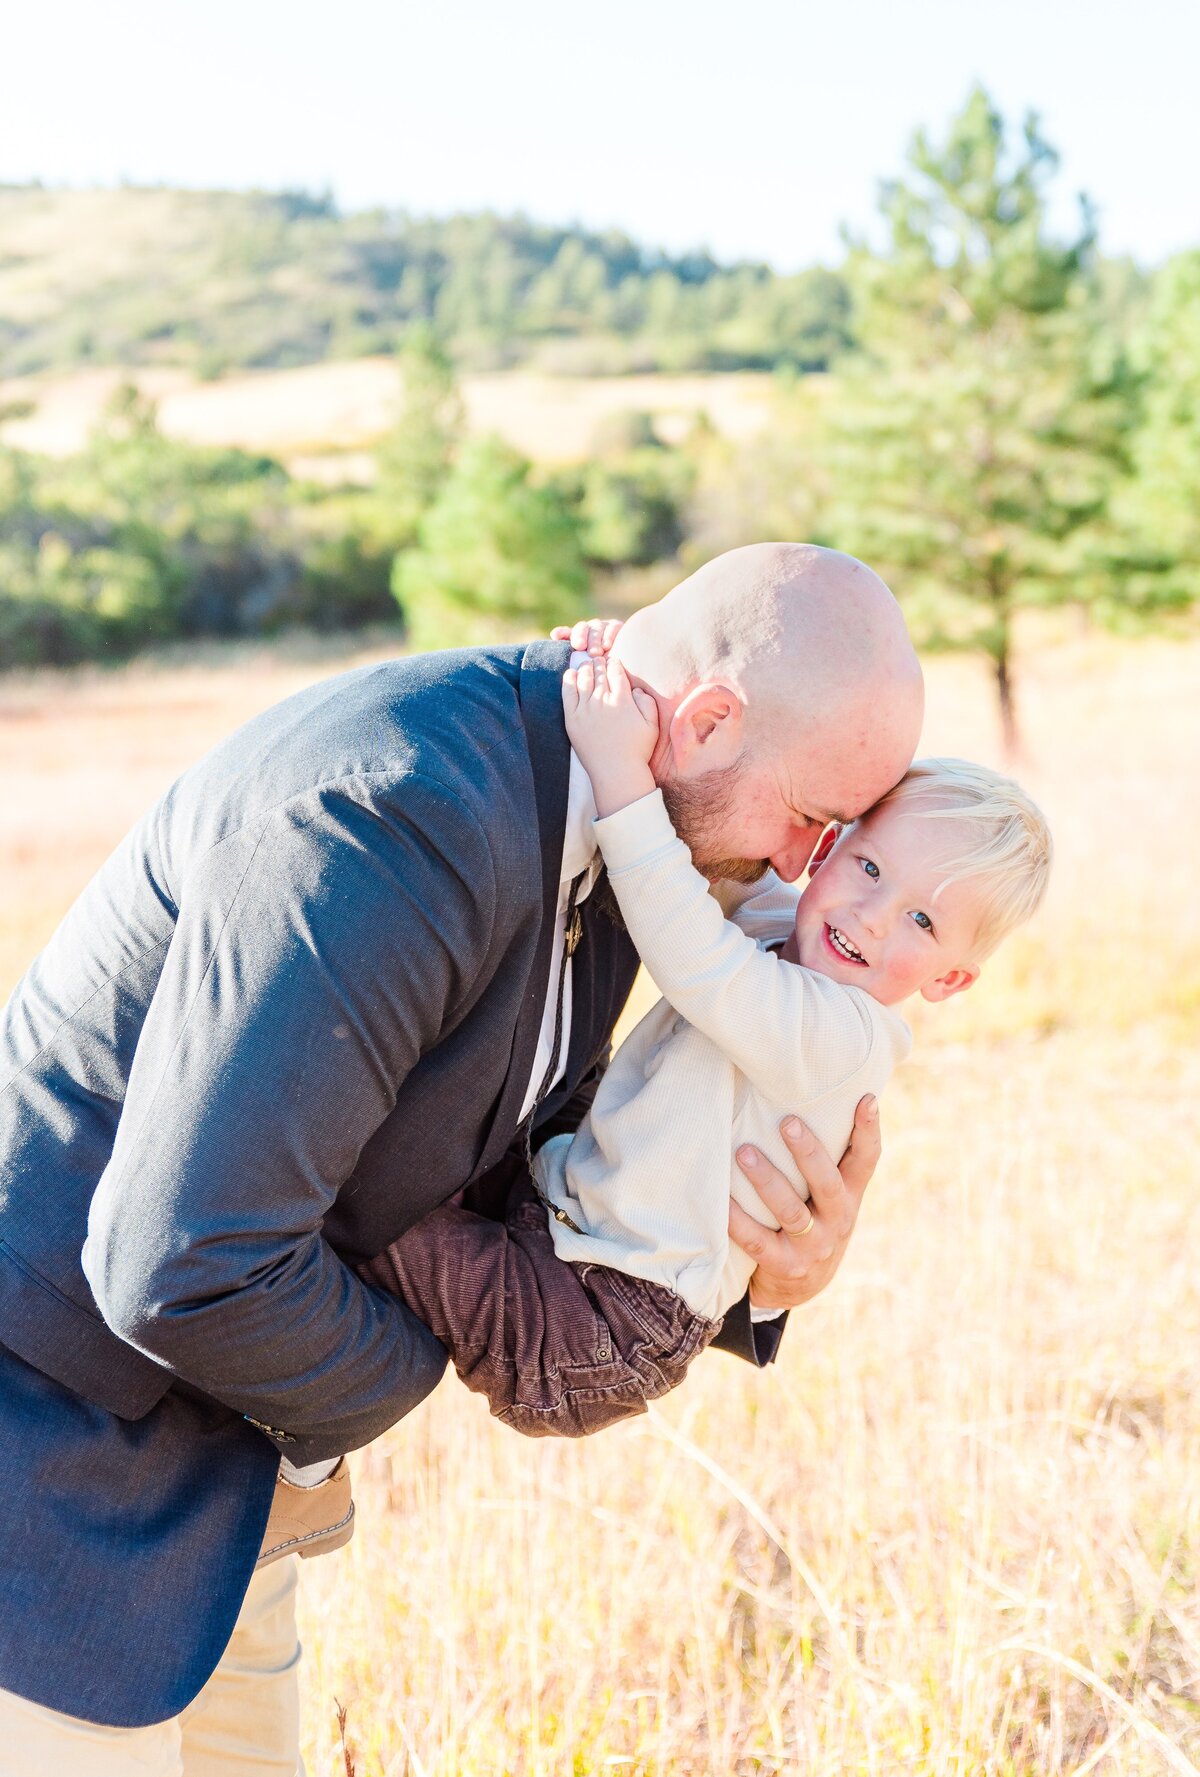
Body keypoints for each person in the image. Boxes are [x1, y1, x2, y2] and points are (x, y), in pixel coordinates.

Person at [0, 542, 922, 1772]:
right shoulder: (404, 810)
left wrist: (753, 1268)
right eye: (814, 822)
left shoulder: (603, 814)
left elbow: (520, 1150)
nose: (809, 876)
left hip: (220, 1496)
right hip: (49, 1472)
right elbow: (186, 1260)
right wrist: (419, 1362)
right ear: (704, 722)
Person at [289, 657, 1049, 1456]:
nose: (871, 915)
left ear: (952, 979)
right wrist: (637, 673)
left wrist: (617, 768)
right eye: (869, 866)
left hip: (603, 1317)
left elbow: (691, 949)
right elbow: (708, 862)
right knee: (423, 1134)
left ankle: (302, 1452)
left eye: (923, 923)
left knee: (368, 1219)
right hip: (563, 1217)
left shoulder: (843, 1031)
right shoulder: (799, 930)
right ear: (827, 850)